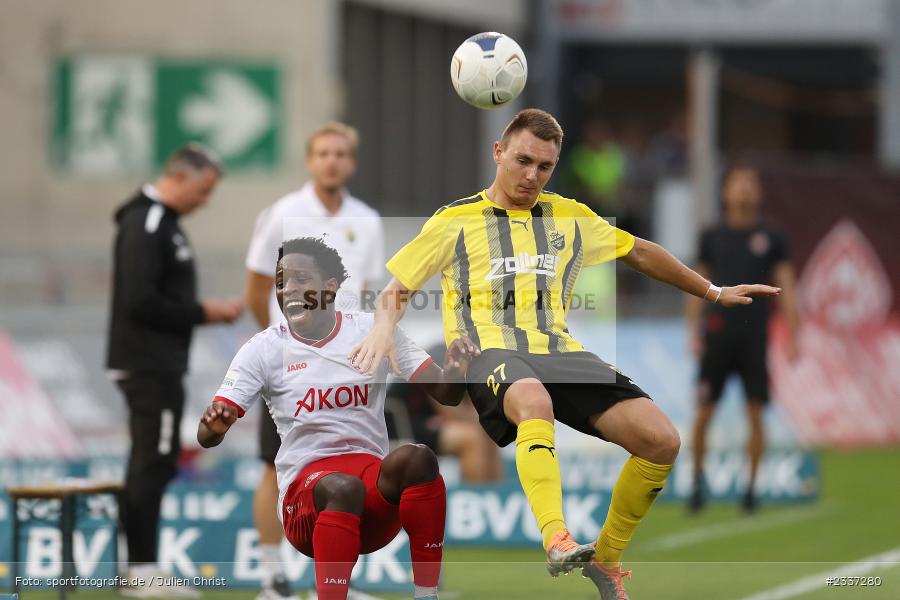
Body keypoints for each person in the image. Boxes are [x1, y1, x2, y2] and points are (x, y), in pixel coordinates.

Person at [348, 109, 780, 600]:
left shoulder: (570, 217)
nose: (532, 175)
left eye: (545, 166)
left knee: (661, 441)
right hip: (489, 351)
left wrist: (712, 291)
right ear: (499, 153)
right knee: (534, 402)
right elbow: (395, 291)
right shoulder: (454, 221)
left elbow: (640, 252)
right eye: (523, 160)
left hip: (560, 351)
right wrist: (384, 329)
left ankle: (607, 558)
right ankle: (556, 537)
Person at [199, 237, 478, 600]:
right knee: (343, 487)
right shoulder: (263, 349)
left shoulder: (373, 331)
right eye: (282, 281)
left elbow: (446, 393)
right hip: (306, 503)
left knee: (419, 457)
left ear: (330, 287)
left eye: (301, 279)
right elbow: (207, 435)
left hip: (374, 505)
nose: (289, 289)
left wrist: (456, 368)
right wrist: (214, 424)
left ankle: (427, 594)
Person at [243, 122, 384, 600]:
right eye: (323, 152)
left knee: (353, 466)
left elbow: (367, 295)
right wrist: (276, 347)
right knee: (273, 464)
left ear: (353, 162)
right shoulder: (283, 213)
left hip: (347, 365)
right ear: (309, 160)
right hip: (291, 366)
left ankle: (342, 581)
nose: (332, 160)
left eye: (341, 153)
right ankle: (272, 578)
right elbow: (257, 287)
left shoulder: (367, 218)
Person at [106, 144, 243, 597]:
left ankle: (141, 567)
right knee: (152, 460)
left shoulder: (164, 224)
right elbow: (138, 300)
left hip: (160, 363)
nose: (204, 202)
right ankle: (139, 571)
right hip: (147, 364)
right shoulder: (145, 222)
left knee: (157, 459)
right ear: (181, 176)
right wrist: (203, 311)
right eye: (203, 191)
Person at [686, 165, 800, 514]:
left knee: (755, 412)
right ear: (726, 192)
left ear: (759, 193)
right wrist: (693, 329)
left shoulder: (773, 237)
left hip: (754, 339)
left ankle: (751, 489)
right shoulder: (712, 235)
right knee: (704, 412)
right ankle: (697, 484)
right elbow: (696, 283)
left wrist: (794, 333)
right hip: (718, 336)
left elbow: (788, 287)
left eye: (751, 183)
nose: (745, 190)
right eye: (739, 183)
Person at [386, 345, 503, 483]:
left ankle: (495, 495)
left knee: (488, 433)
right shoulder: (444, 356)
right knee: (471, 438)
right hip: (403, 425)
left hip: (427, 419)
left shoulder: (472, 358)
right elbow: (449, 409)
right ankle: (476, 497)